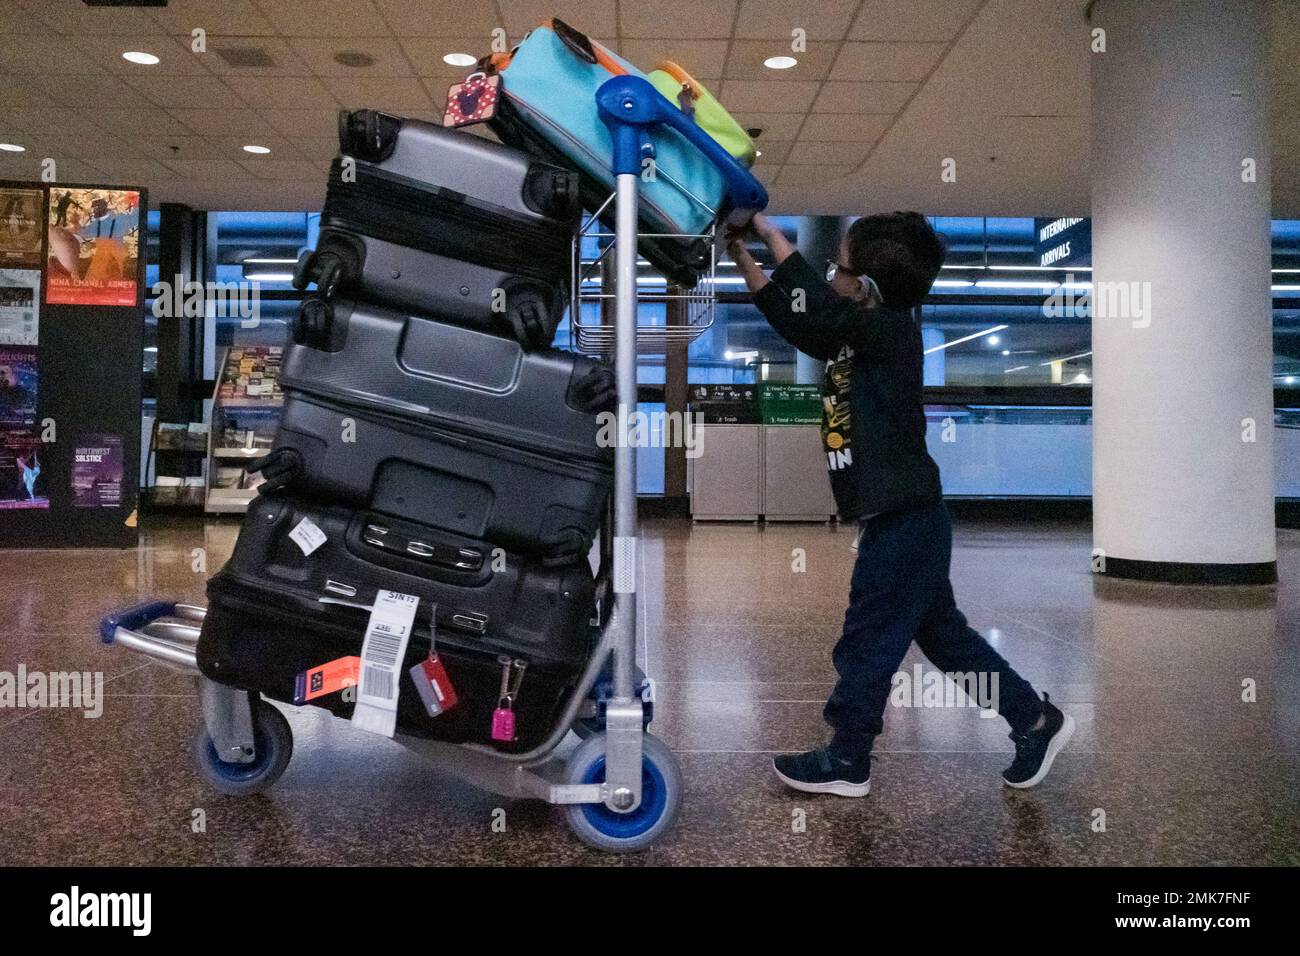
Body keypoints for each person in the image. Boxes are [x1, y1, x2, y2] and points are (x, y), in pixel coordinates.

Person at [727, 212, 1074, 796]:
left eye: (838, 267)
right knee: (946, 639)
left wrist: (770, 232)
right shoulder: (858, 333)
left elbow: (816, 304)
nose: (832, 275)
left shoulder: (888, 330)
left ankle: (847, 757)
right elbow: (798, 319)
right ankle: (1035, 721)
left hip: (906, 520)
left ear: (864, 287)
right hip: (906, 518)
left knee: (867, 639)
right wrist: (741, 253)